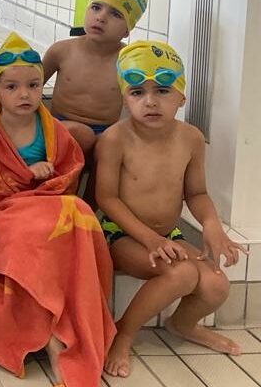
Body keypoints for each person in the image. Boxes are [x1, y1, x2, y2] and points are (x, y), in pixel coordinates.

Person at [0, 33, 114, 387]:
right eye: (13, 87)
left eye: (34, 85)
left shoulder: (51, 127)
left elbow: (70, 168)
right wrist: (25, 180)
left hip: (47, 204)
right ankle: (49, 335)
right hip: (2, 211)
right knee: (33, 235)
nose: (25, 94)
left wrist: (45, 183)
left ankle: (67, 323)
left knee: (79, 215)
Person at [96, 41, 246, 378]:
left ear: (181, 97)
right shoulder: (115, 139)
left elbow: (197, 192)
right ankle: (123, 333)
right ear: (124, 98)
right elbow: (107, 199)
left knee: (216, 285)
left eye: (162, 90)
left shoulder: (191, 138)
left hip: (168, 234)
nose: (150, 101)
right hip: (120, 235)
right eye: (137, 92)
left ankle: (182, 324)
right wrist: (149, 239)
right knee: (181, 273)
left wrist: (211, 225)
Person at [43, 0, 148, 158]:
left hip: (103, 133)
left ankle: (95, 188)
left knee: (112, 146)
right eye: (96, 7)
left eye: (115, 14)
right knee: (81, 133)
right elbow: (29, 85)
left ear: (127, 30)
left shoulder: (128, 62)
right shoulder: (61, 51)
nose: (101, 17)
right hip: (59, 125)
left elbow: (141, 105)